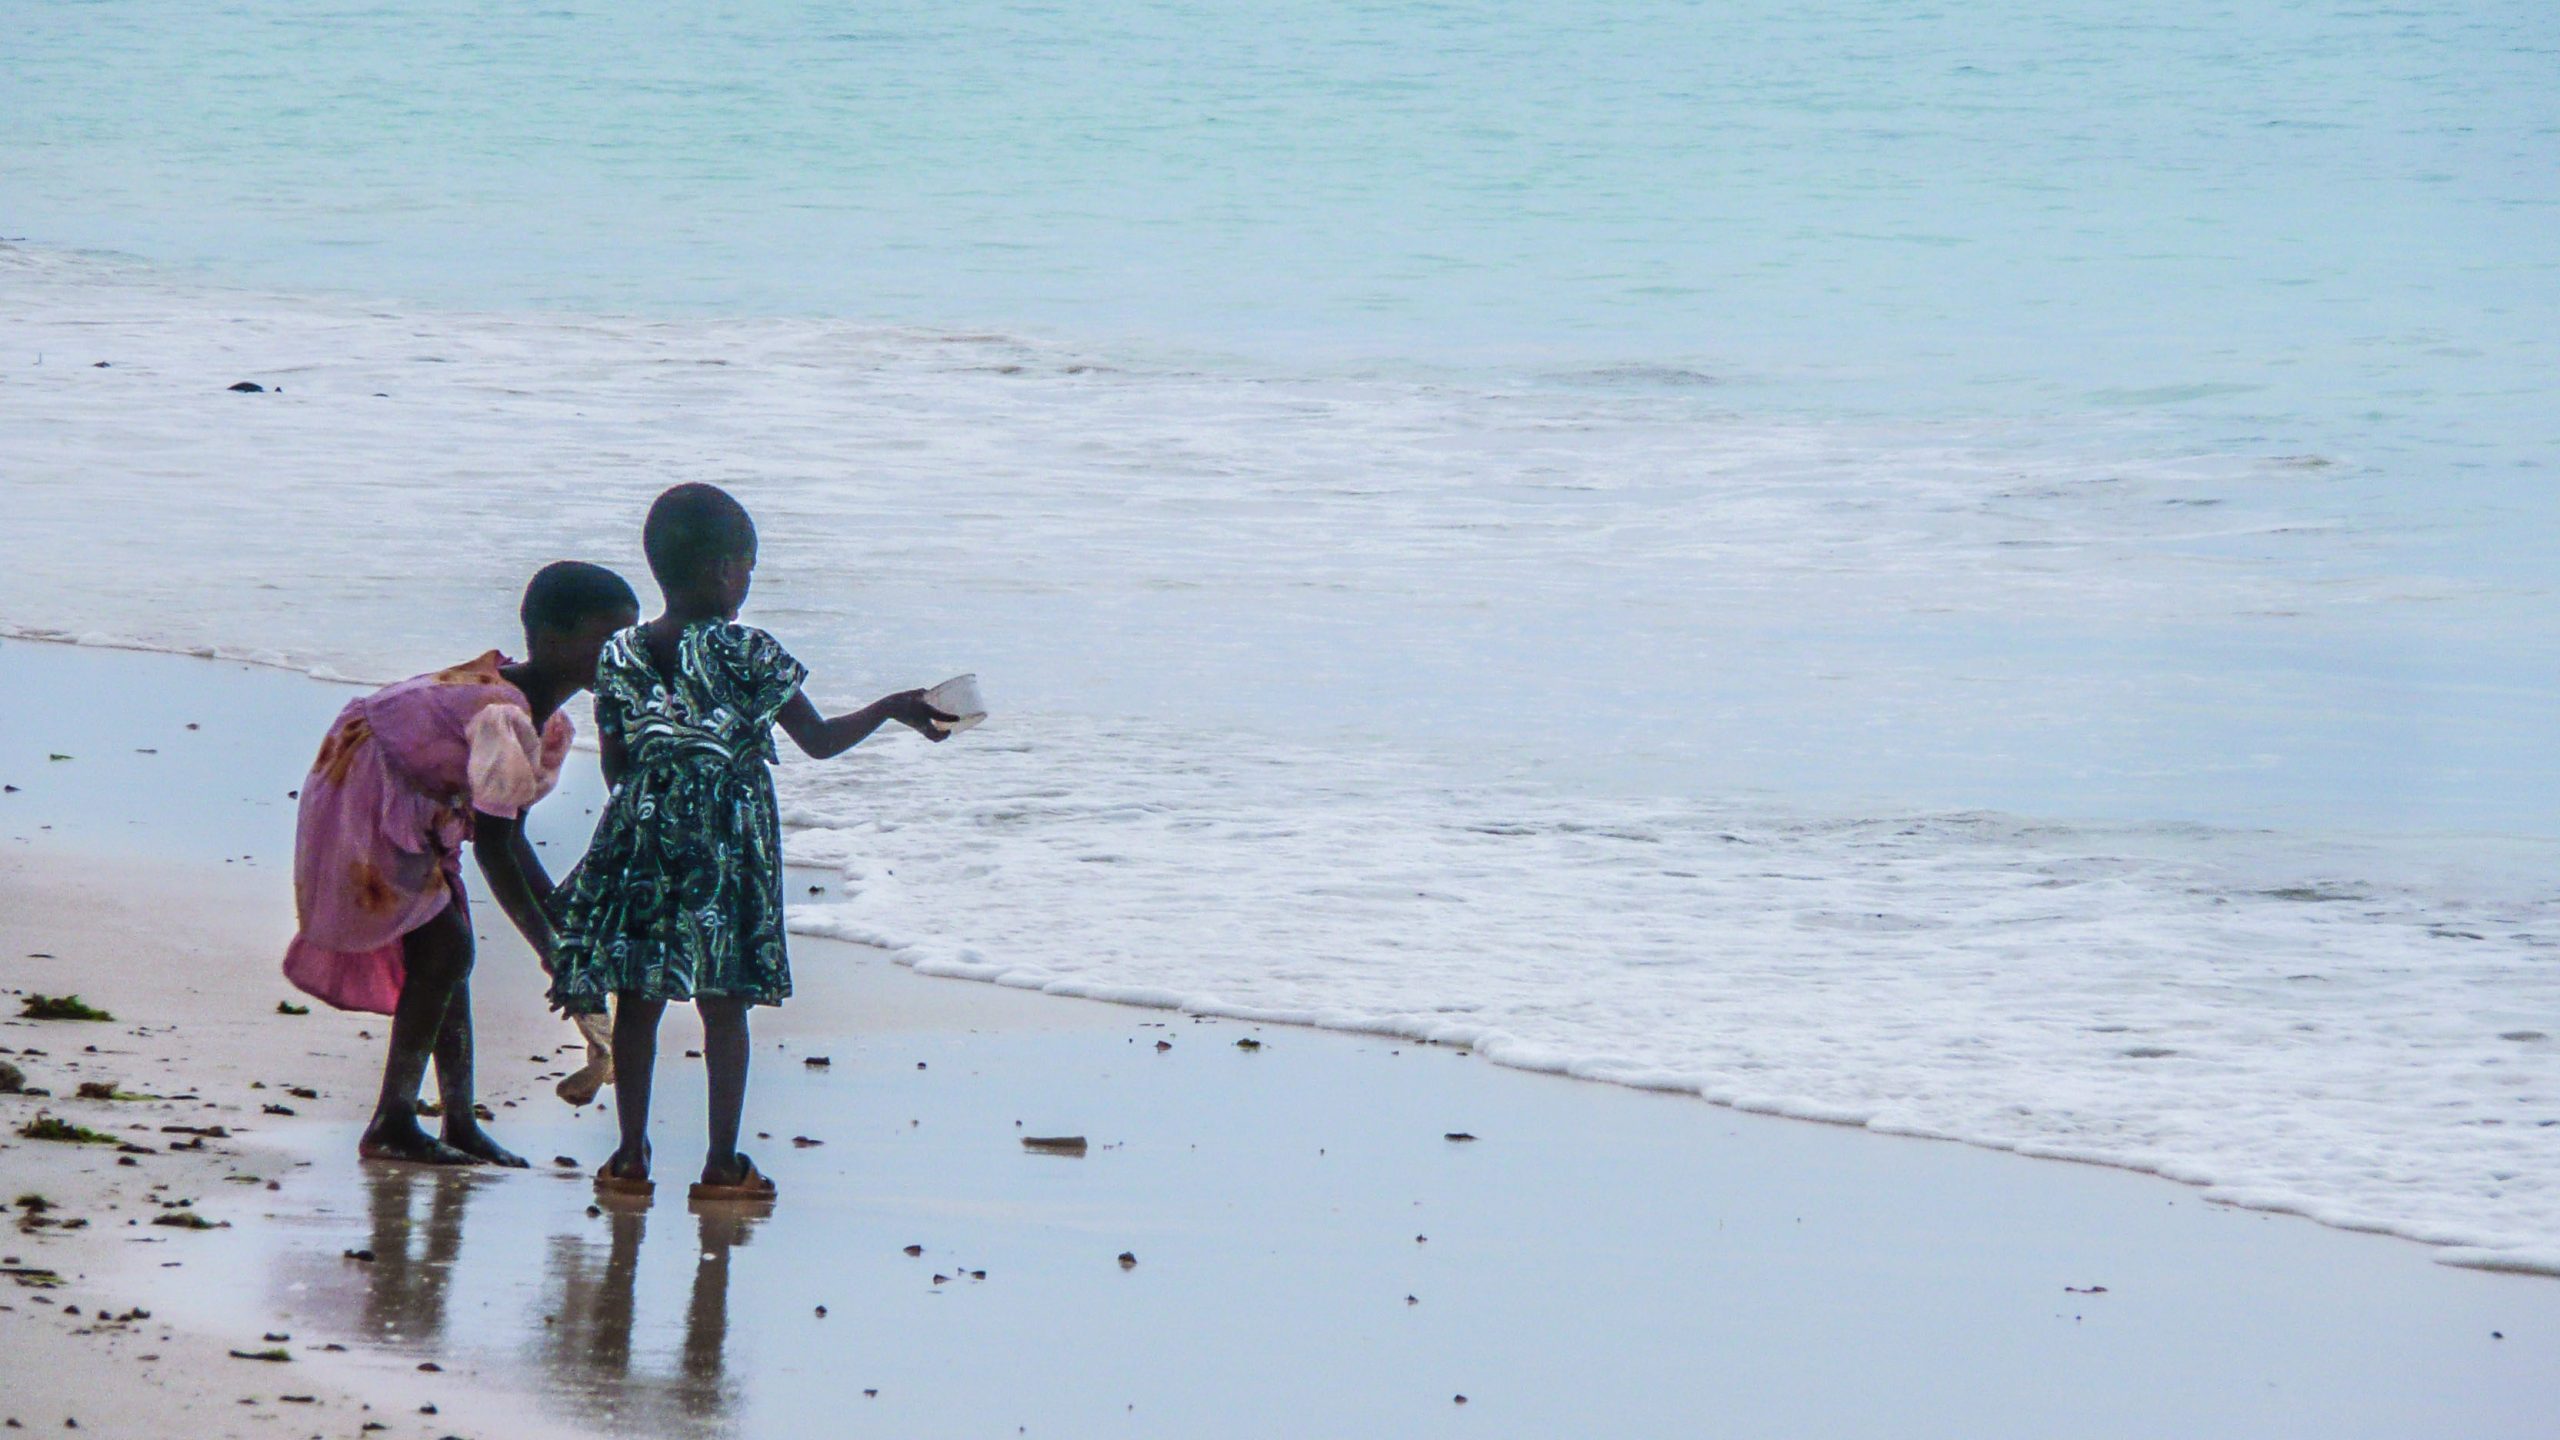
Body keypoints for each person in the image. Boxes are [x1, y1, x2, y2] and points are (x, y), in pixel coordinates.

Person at [550, 483, 954, 1201]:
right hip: (729, 843)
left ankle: (631, 1157)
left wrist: (657, 797)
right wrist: (892, 708)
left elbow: (615, 767)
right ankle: (720, 1164)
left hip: (640, 832)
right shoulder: (749, 651)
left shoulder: (619, 654)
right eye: (749, 569)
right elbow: (821, 742)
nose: (748, 583)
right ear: (723, 571)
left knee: (637, 999)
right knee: (723, 1001)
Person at [284, 560, 640, 1166]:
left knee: (448, 953)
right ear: (554, 637)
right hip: (369, 788)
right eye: (608, 641)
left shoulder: (539, 719)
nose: (623, 655)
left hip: (418, 798)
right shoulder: (503, 716)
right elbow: (495, 851)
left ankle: (457, 1122)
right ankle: (393, 1120)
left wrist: (562, 922)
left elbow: (511, 834)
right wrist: (552, 951)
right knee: (448, 949)